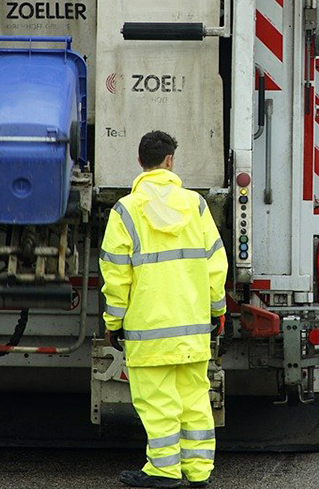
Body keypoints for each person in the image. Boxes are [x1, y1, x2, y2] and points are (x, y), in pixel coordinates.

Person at [99, 131, 228, 488]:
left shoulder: (125, 210)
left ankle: (163, 470)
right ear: (170, 161)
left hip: (148, 332)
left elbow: (115, 273)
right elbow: (216, 263)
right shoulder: (196, 206)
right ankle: (199, 472)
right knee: (195, 399)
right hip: (192, 327)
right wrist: (217, 310)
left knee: (157, 404)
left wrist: (114, 321)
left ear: (141, 162)